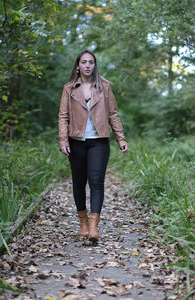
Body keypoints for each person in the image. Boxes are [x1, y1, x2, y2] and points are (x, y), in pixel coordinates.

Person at [58, 49, 128, 242]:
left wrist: (120, 138)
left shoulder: (105, 87)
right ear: (78, 65)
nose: (87, 65)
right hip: (76, 141)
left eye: (91, 62)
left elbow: (113, 114)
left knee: (96, 182)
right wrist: (63, 140)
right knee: (79, 183)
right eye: (84, 62)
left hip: (99, 141)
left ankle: (93, 225)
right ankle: (82, 221)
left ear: (95, 65)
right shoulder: (69, 88)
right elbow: (63, 116)